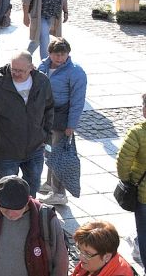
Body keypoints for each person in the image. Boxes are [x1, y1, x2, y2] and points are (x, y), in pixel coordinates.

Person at [0, 51, 54, 195]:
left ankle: (29, 217)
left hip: (35, 149)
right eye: (14, 69)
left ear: (31, 67)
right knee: (7, 193)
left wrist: (46, 138)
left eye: (21, 71)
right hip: (7, 151)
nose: (16, 73)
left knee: (32, 190)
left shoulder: (42, 82)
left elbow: (49, 110)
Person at [0, 176, 68, 276]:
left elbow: (60, 261)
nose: (10, 214)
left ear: (27, 201)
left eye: (16, 209)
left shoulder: (46, 218)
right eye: (5, 209)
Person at [36, 38, 86, 206]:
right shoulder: (43, 65)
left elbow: (78, 101)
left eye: (62, 54)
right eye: (56, 54)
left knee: (58, 155)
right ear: (49, 53)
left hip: (61, 119)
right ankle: (50, 183)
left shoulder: (76, 72)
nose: (59, 58)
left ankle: (59, 192)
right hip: (45, 116)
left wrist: (71, 125)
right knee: (49, 151)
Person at [117, 94, 146, 265]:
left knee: (144, 233)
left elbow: (123, 162)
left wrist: (127, 180)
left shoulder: (138, 133)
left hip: (143, 195)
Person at [70, 221, 136, 276]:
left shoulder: (121, 273)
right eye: (79, 249)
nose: (80, 257)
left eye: (87, 254)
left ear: (107, 257)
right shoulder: (95, 264)